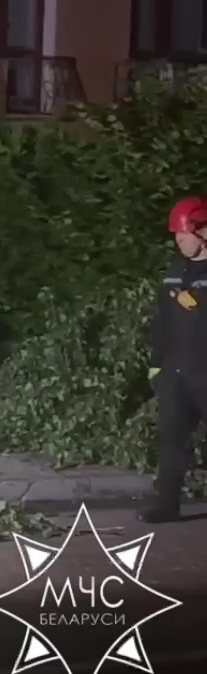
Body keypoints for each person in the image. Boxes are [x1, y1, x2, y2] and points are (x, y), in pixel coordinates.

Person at [145, 195, 207, 524]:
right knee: (170, 440)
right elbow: (163, 322)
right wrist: (157, 365)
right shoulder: (174, 272)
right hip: (176, 373)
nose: (179, 240)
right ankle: (166, 503)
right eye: (177, 236)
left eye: (184, 234)